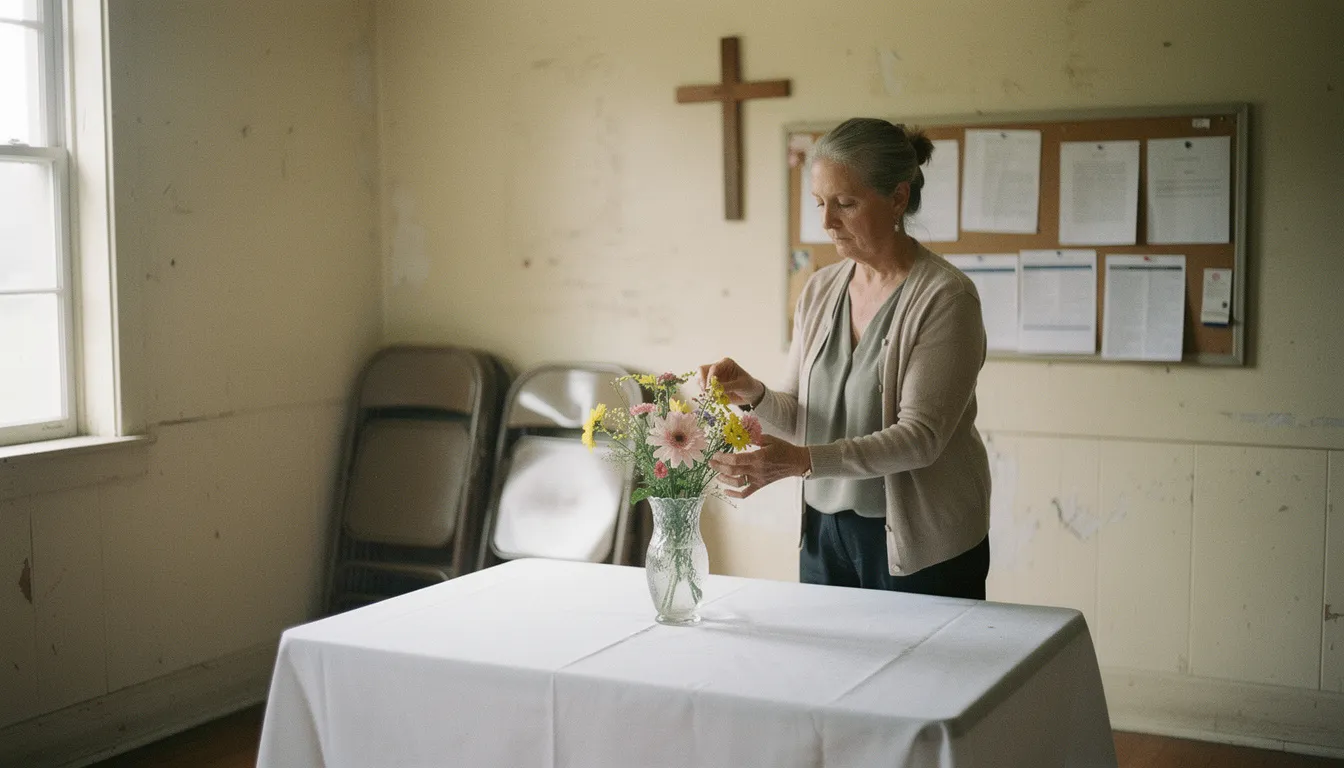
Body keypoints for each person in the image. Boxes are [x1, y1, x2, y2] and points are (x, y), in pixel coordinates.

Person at [701, 118, 991, 599]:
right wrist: (752, 394)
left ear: (898, 198)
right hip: (825, 533)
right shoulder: (819, 290)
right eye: (820, 203)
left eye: (846, 204)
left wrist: (801, 462)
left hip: (920, 543)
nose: (827, 222)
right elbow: (800, 418)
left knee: (920, 676)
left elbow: (920, 439)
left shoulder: (947, 297)